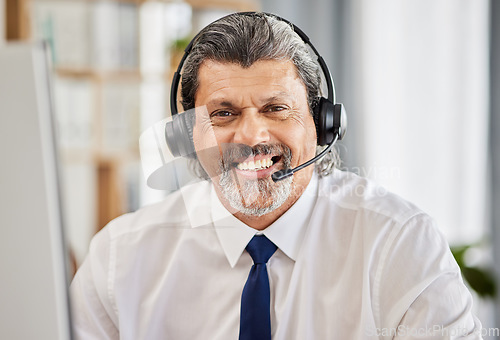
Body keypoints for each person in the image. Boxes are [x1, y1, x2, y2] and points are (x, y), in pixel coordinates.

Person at [70, 12, 482, 339]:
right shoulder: (119, 259)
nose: (250, 136)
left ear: (322, 125)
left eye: (275, 108)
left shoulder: (399, 244)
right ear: (186, 135)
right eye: (223, 113)